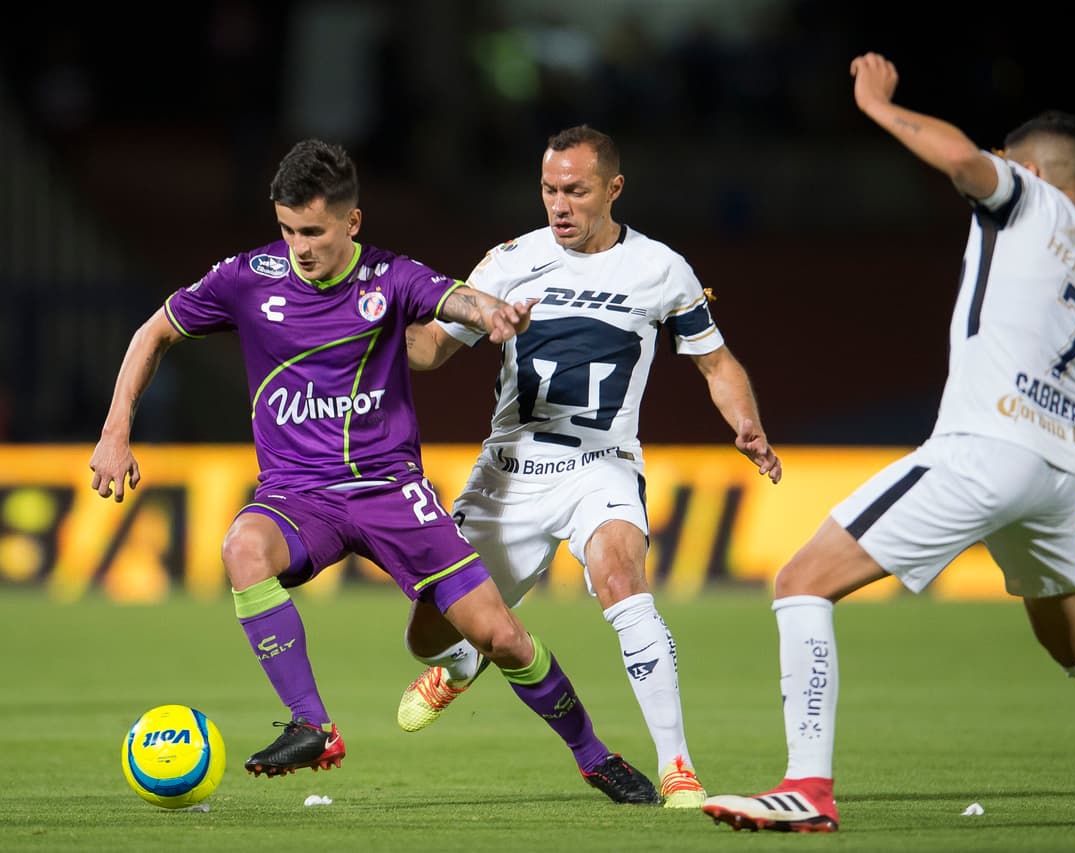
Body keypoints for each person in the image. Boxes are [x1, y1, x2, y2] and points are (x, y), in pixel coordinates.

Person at [702, 53, 1075, 833]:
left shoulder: (1028, 199)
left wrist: (878, 106)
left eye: (1006, 160)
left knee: (801, 582)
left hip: (988, 444)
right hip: (1059, 470)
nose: (992, 169)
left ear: (1029, 168)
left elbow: (962, 160)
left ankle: (808, 788)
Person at [89, 138, 659, 804]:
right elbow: (153, 331)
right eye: (288, 230)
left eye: (314, 232)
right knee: (242, 547)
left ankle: (594, 756)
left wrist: (493, 313)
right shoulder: (247, 278)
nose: (300, 248)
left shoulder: (389, 278)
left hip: (391, 491)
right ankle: (312, 724)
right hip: (298, 496)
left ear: (351, 222)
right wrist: (114, 432)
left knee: (501, 637)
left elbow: (456, 299)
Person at [396, 124, 783, 809]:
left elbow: (717, 364)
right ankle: (459, 663)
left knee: (621, 579)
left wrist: (745, 422)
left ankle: (678, 766)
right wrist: (365, 322)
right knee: (427, 632)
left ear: (613, 188)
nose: (559, 204)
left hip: (601, 466)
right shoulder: (511, 261)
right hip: (509, 473)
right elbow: (429, 351)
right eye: (549, 189)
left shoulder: (661, 269)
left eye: (575, 190)